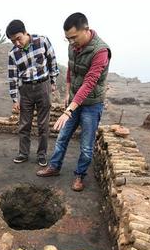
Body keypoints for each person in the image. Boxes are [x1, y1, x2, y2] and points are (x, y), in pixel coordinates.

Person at [37, 12, 111, 192]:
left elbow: (89, 83)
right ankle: (54, 167)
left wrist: (69, 110)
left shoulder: (101, 51)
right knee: (62, 137)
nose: (71, 42)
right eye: (67, 39)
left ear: (86, 29)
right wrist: (68, 93)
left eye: (74, 37)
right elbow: (71, 68)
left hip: (92, 104)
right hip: (75, 101)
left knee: (86, 145)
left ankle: (80, 175)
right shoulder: (74, 47)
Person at [6, 19, 59, 167]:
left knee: (43, 125)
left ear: (25, 32)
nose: (17, 43)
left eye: (18, 38)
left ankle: (41, 155)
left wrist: (53, 82)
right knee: (24, 124)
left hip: (43, 86)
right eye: (13, 41)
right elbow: (12, 77)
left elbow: (52, 61)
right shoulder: (13, 54)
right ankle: (23, 153)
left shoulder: (42, 41)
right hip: (26, 90)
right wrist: (15, 99)